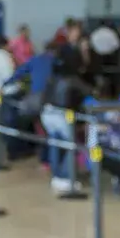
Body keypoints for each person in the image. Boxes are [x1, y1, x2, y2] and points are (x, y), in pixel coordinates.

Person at [41, 58, 93, 194]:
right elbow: (89, 91)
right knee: (72, 146)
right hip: (61, 115)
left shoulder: (51, 79)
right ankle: (66, 177)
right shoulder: (73, 79)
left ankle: (56, 176)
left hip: (47, 113)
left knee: (55, 144)